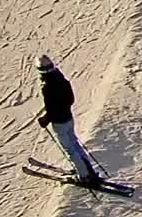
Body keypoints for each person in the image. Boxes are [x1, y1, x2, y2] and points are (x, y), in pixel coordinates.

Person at [36, 54, 98, 185]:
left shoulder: (47, 87)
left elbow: (51, 109)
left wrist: (45, 119)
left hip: (59, 122)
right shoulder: (62, 80)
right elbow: (70, 100)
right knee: (75, 144)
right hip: (69, 118)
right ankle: (87, 170)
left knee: (70, 149)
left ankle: (84, 176)